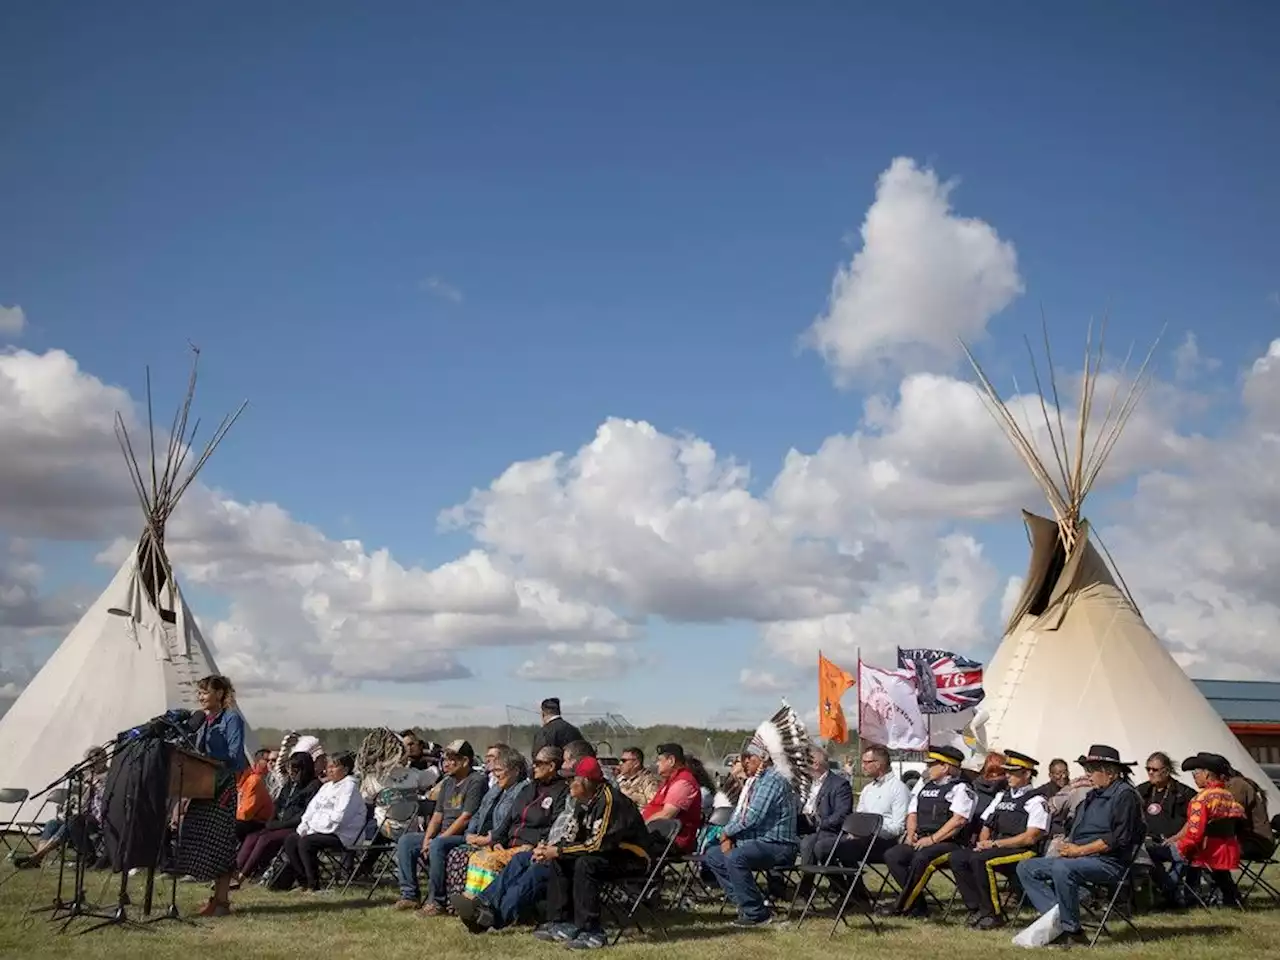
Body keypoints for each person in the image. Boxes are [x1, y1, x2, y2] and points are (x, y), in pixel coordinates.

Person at [1016, 744, 1145, 948]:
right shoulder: (1092, 795)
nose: (1088, 775)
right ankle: (1058, 922)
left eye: (1092, 770)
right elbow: (1078, 829)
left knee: (1062, 867)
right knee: (1026, 867)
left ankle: (1073, 931)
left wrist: (1079, 851)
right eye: (1087, 770)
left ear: (1109, 772)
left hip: (1109, 862)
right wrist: (1068, 845)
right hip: (1081, 857)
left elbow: (1118, 839)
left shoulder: (1125, 796)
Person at [531, 756, 652, 950]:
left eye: (572, 779)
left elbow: (598, 844)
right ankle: (561, 922)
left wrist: (559, 850)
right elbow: (572, 837)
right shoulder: (582, 800)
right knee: (560, 860)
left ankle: (592, 932)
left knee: (585, 864)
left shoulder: (610, 801)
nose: (567, 783)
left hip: (632, 857)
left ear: (586, 781)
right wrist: (548, 849)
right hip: (607, 853)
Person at [451, 746, 571, 932]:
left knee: (521, 875)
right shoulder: (530, 789)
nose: (534, 767)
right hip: (512, 846)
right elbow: (508, 820)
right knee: (512, 863)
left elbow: (555, 826)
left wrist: (535, 845)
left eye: (538, 763)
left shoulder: (561, 792)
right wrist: (497, 839)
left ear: (552, 765)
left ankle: (490, 919)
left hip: (534, 847)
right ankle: (481, 904)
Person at [702, 739, 798, 928]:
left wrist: (726, 834)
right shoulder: (757, 782)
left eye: (748, 758)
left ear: (763, 758)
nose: (744, 762)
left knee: (735, 857)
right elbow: (741, 815)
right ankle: (748, 904)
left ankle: (756, 914)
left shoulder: (773, 780)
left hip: (778, 846)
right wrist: (728, 835)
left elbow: (753, 816)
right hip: (755, 842)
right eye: (742, 759)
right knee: (713, 855)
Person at [949, 750, 1049, 929]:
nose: (1007, 775)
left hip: (1022, 851)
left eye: (1012, 772)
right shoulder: (1001, 796)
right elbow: (987, 824)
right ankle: (977, 907)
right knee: (958, 858)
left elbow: (1030, 837)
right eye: (1007, 771)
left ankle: (993, 914)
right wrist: (982, 843)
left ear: (1026, 774)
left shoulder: (1036, 800)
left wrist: (994, 844)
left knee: (981, 860)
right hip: (997, 847)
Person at [175, 674, 247, 917]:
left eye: (205, 692)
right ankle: (217, 897)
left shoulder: (232, 719)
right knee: (198, 836)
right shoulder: (204, 722)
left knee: (220, 841)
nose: (201, 697)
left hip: (222, 786)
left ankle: (222, 900)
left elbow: (235, 756)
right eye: (199, 693)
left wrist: (212, 760)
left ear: (219, 694)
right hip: (204, 786)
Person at [879, 745, 975, 917]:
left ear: (945, 767)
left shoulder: (961, 789)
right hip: (922, 840)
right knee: (893, 855)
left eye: (932, 765)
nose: (927, 768)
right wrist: (910, 833)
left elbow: (958, 821)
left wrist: (932, 840)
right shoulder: (925, 786)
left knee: (921, 858)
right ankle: (917, 904)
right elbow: (912, 812)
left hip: (950, 843)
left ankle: (902, 906)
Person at [394, 739, 486, 913]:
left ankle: (436, 901)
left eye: (453, 759)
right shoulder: (448, 782)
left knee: (437, 844)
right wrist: (427, 839)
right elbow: (437, 816)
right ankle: (410, 895)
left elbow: (465, 818)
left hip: (465, 836)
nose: (447, 763)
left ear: (465, 761)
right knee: (407, 841)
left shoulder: (476, 781)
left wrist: (439, 839)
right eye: (445, 759)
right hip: (443, 835)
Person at [282, 751, 366, 891]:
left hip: (342, 835)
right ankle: (303, 882)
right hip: (318, 830)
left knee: (306, 842)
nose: (329, 770)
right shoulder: (326, 787)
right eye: (328, 766)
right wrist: (304, 827)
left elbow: (339, 818)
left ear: (345, 769)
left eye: (334, 767)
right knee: (291, 840)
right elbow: (311, 811)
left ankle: (314, 885)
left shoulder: (349, 787)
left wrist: (312, 829)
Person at [233, 751, 320, 885]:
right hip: (279, 824)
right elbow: (277, 805)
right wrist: (271, 821)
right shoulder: (289, 785)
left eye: (295, 769)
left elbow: (304, 815)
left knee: (266, 838)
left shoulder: (313, 786)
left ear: (304, 769)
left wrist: (280, 825)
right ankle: (235, 870)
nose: (292, 772)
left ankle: (243, 875)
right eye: (290, 768)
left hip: (295, 827)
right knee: (253, 835)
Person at [1175, 753, 1247, 907]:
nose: (1194, 777)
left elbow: (1194, 835)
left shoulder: (1200, 800)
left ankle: (1184, 896)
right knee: (1217, 872)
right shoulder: (1229, 796)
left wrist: (1180, 846)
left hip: (1206, 852)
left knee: (1168, 853)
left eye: (1195, 773)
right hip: (1227, 850)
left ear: (1206, 774)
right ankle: (1230, 897)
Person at [1138, 751, 1197, 906]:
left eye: (1155, 770)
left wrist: (1177, 837)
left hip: (1177, 842)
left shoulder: (1184, 793)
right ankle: (1168, 890)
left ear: (1167, 771)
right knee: (1144, 855)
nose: (1150, 773)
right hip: (1150, 842)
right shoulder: (1142, 791)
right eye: (1148, 769)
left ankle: (1168, 891)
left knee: (1185, 856)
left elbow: (1194, 820)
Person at [796, 745, 853, 891]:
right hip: (802, 827)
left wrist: (818, 824)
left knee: (810, 843)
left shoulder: (840, 785)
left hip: (827, 831)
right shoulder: (805, 784)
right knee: (776, 839)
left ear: (815, 764)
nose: (801, 766)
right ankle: (776, 889)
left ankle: (805, 888)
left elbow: (841, 815)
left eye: (804, 762)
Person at [641, 743, 704, 855]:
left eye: (660, 760)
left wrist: (640, 826)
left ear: (671, 760)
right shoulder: (671, 780)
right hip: (657, 835)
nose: (657, 764)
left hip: (672, 840)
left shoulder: (683, 782)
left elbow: (667, 815)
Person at [235, 748, 275, 841]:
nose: (270, 764)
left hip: (255, 822)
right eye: (267, 760)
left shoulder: (252, 778)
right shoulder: (255, 780)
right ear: (258, 761)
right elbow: (246, 814)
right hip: (254, 823)